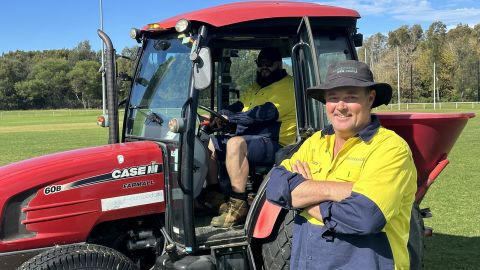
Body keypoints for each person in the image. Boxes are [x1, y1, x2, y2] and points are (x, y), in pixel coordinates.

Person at [266, 60, 417, 269]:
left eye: (351, 97)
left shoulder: (390, 148)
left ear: (370, 98)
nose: (341, 106)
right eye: (333, 98)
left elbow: (366, 217)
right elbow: (275, 187)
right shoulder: (315, 142)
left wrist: (303, 197)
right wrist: (341, 190)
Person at [202, 47, 296, 228]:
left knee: (235, 143)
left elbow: (262, 114)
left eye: (268, 64)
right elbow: (238, 105)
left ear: (279, 64)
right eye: (260, 64)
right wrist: (219, 116)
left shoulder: (287, 87)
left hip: (277, 143)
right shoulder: (257, 87)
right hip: (254, 138)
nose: (263, 68)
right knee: (210, 144)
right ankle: (214, 194)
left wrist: (231, 120)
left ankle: (238, 205)